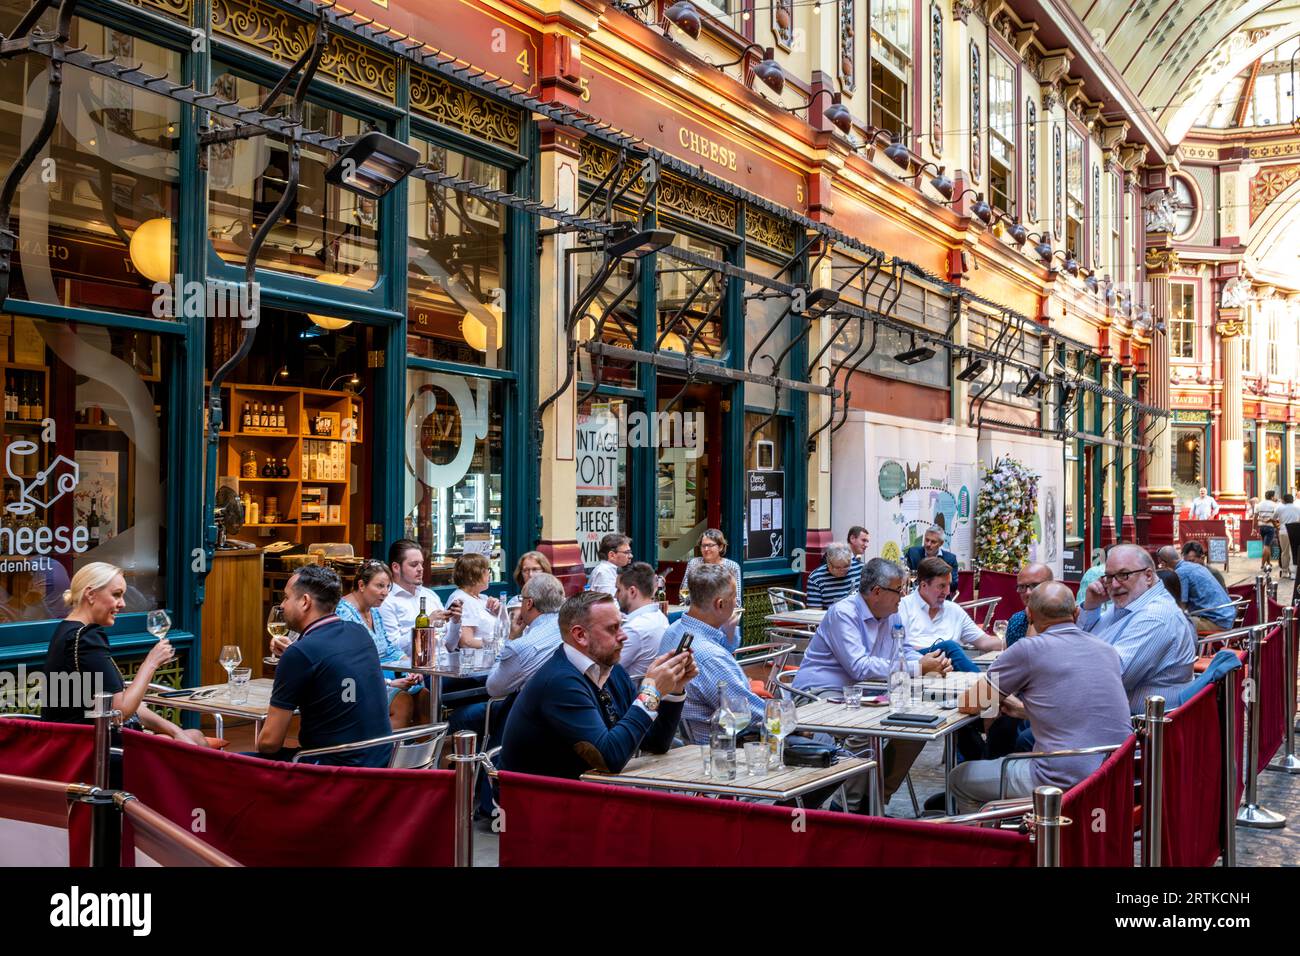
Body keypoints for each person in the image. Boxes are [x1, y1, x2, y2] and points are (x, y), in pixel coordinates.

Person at [950, 583, 1133, 813]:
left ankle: (987, 842)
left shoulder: (1028, 649)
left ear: (1029, 615)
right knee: (1017, 755)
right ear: (1076, 613)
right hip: (1114, 771)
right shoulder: (1107, 649)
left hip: (1061, 778)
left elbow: (971, 703)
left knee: (960, 777)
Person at [793, 558, 950, 804]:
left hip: (866, 693)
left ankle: (875, 798)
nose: (903, 596)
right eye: (899, 590)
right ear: (877, 592)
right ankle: (850, 804)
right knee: (863, 732)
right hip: (819, 692)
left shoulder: (893, 616)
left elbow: (905, 650)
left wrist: (930, 661)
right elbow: (859, 667)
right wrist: (918, 667)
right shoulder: (844, 613)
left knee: (918, 724)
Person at [500, 591, 696, 779]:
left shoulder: (612, 671)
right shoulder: (560, 682)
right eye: (612, 628)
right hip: (539, 803)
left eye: (621, 625)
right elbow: (608, 758)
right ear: (580, 635)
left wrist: (674, 689)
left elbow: (655, 743)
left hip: (586, 795)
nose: (623, 635)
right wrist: (651, 692)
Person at [43, 563, 206, 748]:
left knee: (191, 736)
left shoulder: (66, 631)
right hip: (92, 750)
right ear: (90, 594)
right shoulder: (87, 638)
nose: (123, 603)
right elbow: (120, 711)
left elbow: (127, 705)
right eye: (116, 594)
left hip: (71, 744)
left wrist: (175, 731)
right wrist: (150, 663)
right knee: (194, 742)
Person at [258, 565, 393, 767]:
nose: (283, 605)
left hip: (330, 772)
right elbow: (328, 663)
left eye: (286, 597)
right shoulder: (359, 632)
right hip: (379, 766)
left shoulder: (301, 654)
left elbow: (269, 743)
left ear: (305, 602)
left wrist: (294, 657)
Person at [1079, 544, 1196, 712]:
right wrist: (1091, 607)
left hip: (1130, 727)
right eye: (1109, 577)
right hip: (1100, 711)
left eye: (1123, 575)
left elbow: (1110, 679)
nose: (1114, 585)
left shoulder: (1155, 617)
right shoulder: (1128, 604)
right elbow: (1079, 643)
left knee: (1029, 734)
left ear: (1148, 576)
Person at [657, 562, 757, 743]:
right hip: (723, 747)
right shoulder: (710, 657)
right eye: (734, 597)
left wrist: (729, 632)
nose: (736, 603)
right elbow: (749, 715)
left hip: (683, 739)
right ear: (720, 604)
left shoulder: (673, 629)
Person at [335, 559, 426, 727]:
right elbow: (351, 663)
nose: (385, 592)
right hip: (355, 683)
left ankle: (423, 753)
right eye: (380, 586)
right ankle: (386, 752)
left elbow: (389, 648)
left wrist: (410, 668)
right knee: (402, 700)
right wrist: (389, 683)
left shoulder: (374, 611)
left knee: (424, 696)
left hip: (386, 673)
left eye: (388, 587)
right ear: (362, 585)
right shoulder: (344, 613)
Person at [895, 556, 995, 669]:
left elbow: (984, 641)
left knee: (951, 649)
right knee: (949, 647)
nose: (947, 592)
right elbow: (899, 647)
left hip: (950, 670)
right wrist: (938, 653)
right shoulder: (903, 607)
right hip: (916, 664)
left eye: (949, 585)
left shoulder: (954, 610)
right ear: (923, 585)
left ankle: (982, 684)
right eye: (942, 586)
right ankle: (983, 685)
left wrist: (1013, 642)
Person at [485, 573, 565, 699]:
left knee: (462, 716)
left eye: (522, 600)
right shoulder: (572, 629)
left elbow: (493, 688)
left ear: (529, 604)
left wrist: (511, 638)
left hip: (530, 711)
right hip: (562, 703)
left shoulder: (520, 647)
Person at [377, 539, 454, 655]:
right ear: (396, 567)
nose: (420, 569)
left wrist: (456, 623)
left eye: (421, 564)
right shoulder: (386, 600)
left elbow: (450, 645)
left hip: (445, 663)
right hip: (416, 669)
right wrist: (425, 624)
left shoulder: (429, 595)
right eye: (414, 565)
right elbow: (393, 650)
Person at [1156, 545, 1233, 633]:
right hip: (1227, 616)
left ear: (1163, 563)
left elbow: (1181, 606)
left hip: (1216, 622)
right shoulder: (1196, 566)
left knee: (1173, 624)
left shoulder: (1181, 573)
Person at [616, 562, 669, 681]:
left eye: (618, 590)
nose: (615, 595)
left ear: (632, 592)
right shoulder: (659, 616)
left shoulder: (634, 629)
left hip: (630, 696)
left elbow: (604, 670)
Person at [446, 552, 502, 650]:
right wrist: (498, 645)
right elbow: (466, 642)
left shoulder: (482, 597)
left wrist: (499, 610)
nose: (489, 573)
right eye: (486, 570)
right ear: (472, 576)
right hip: (477, 660)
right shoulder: (462, 600)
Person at [682, 528, 742, 606]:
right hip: (697, 611)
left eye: (710, 545)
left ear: (720, 547)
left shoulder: (732, 566)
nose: (706, 549)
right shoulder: (694, 563)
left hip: (722, 613)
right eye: (703, 545)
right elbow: (683, 593)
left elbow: (736, 601)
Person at [1004, 563, 1054, 646]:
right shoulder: (1016, 621)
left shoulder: (1067, 619)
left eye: (1035, 586)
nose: (1028, 592)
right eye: (1022, 586)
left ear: (1052, 586)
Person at [904, 525, 959, 592]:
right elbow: (904, 577)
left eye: (933, 542)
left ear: (941, 543)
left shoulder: (950, 559)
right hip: (916, 596)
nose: (928, 544)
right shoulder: (913, 554)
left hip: (940, 598)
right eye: (927, 540)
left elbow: (954, 585)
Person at [805, 543, 861, 609]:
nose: (842, 570)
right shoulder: (816, 578)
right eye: (837, 567)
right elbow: (815, 611)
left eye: (846, 566)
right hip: (831, 617)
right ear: (828, 563)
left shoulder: (860, 569)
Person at [1255, 490, 1279, 574]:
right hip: (1270, 527)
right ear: (1272, 497)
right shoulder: (1275, 505)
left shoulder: (1259, 504)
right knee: (1266, 545)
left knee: (1266, 545)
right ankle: (1262, 565)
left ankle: (1268, 563)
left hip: (1261, 527)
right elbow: (1275, 518)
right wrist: (1277, 526)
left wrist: (1253, 528)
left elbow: (1255, 517)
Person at [1278, 493, 1300, 576]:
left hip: (1283, 531)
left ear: (1284, 500)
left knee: (1284, 552)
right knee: (1293, 551)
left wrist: (1277, 525)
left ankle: (1284, 571)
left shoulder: (1280, 508)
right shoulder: (1298, 508)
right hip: (1295, 531)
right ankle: (1293, 573)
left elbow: (1273, 518)